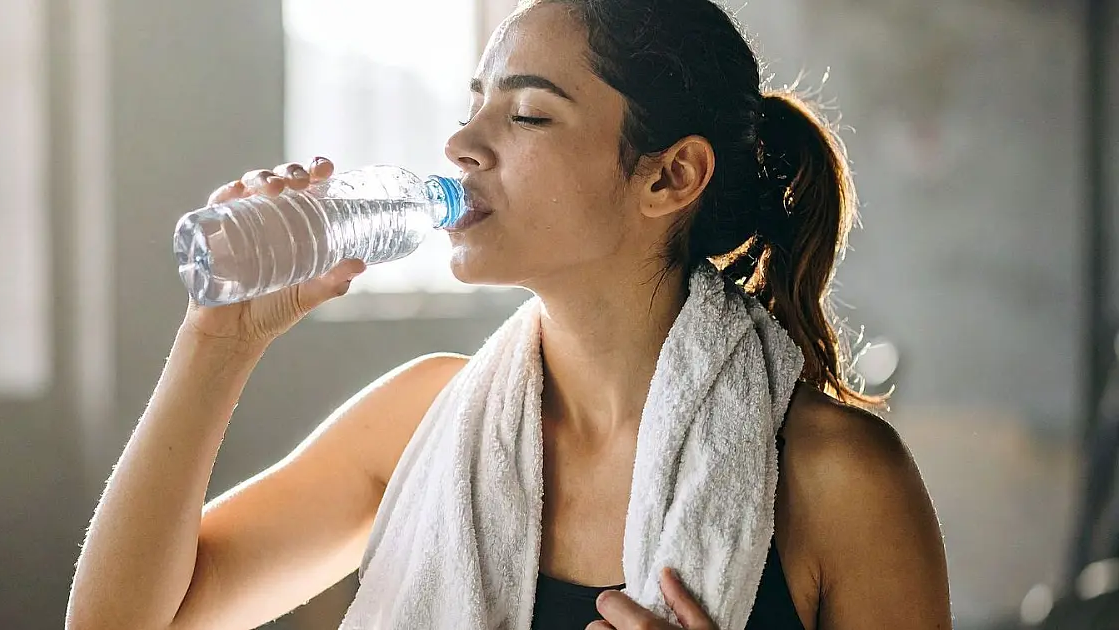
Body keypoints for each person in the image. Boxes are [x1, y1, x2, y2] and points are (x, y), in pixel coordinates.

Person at [66, 0, 952, 628]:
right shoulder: (419, 422)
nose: (460, 143)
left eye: (526, 113)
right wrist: (215, 344)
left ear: (668, 176)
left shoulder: (840, 478)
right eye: (473, 103)